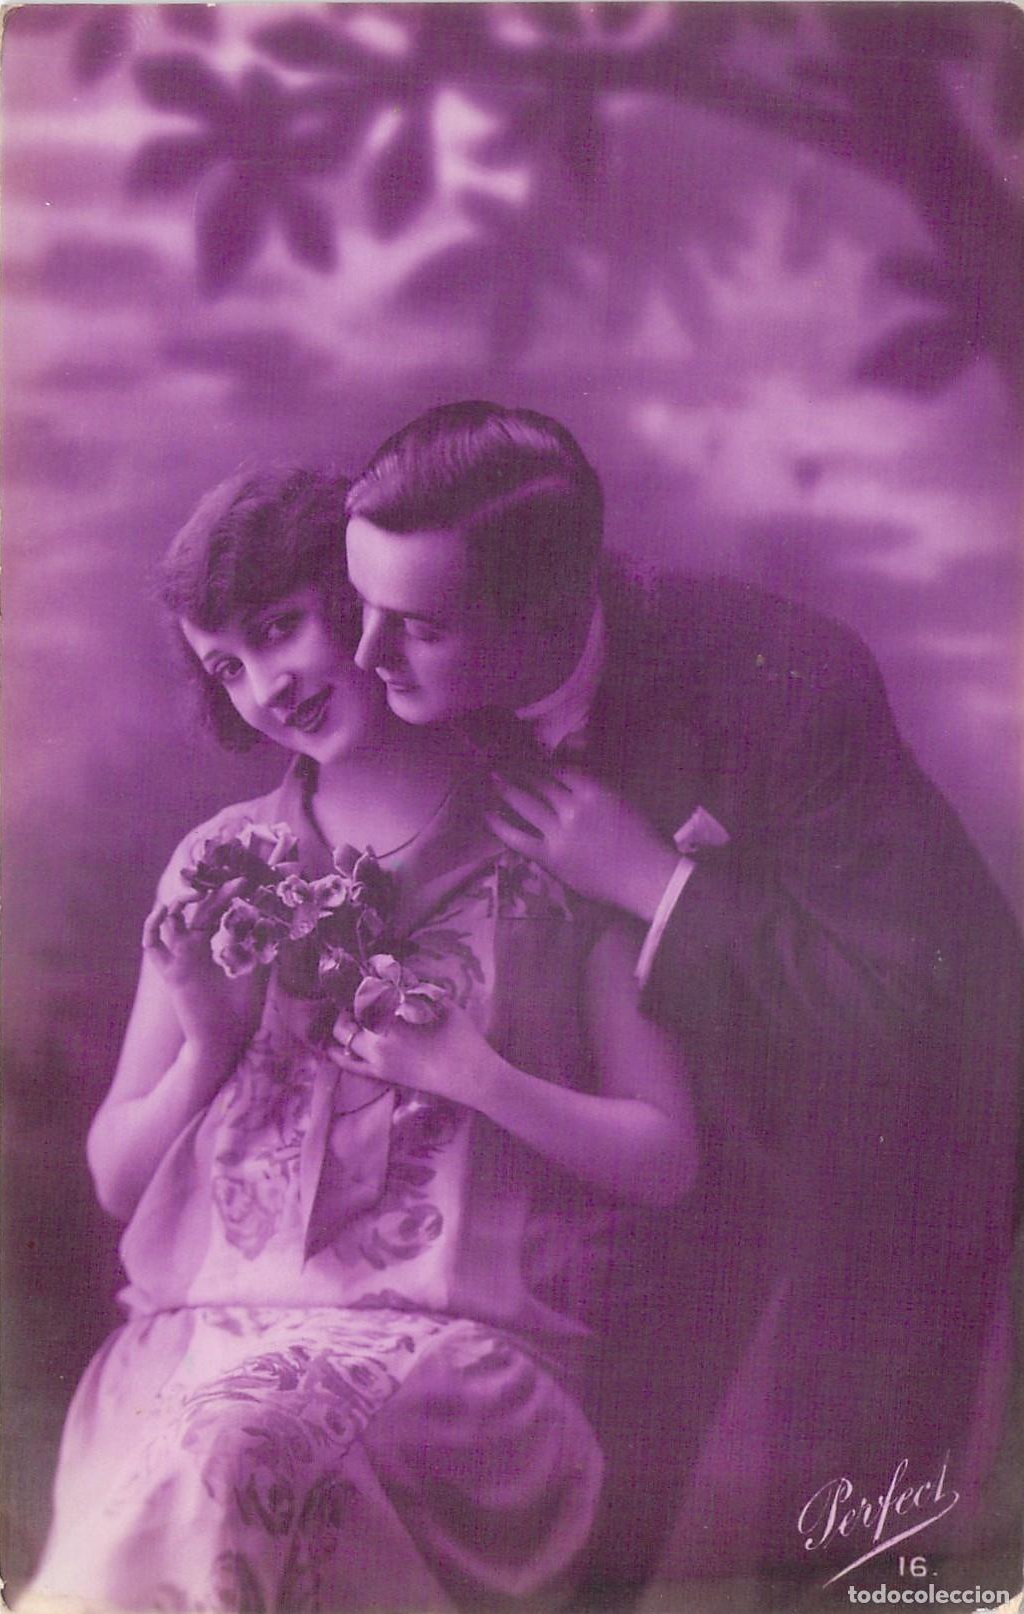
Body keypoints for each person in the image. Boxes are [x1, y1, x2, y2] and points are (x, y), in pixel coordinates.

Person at [343, 401, 1024, 1594]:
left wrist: (650, 881)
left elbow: (899, 1002)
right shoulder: (421, 684)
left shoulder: (790, 681)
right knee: (587, 1486)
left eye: (418, 629)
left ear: (544, 611)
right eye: (363, 607)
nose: (367, 658)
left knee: (846, 1529)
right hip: (673, 1121)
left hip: (915, 1110)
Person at [25, 467, 698, 1614]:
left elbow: (665, 1155)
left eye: (278, 630)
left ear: (363, 599)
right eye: (226, 667)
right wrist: (206, 1048)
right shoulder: (215, 865)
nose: (265, 688)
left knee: (237, 1457)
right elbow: (114, 1177)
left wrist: (479, 1077)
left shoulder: (555, 841)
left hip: (460, 1369)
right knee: (211, 1455)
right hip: (195, 1350)